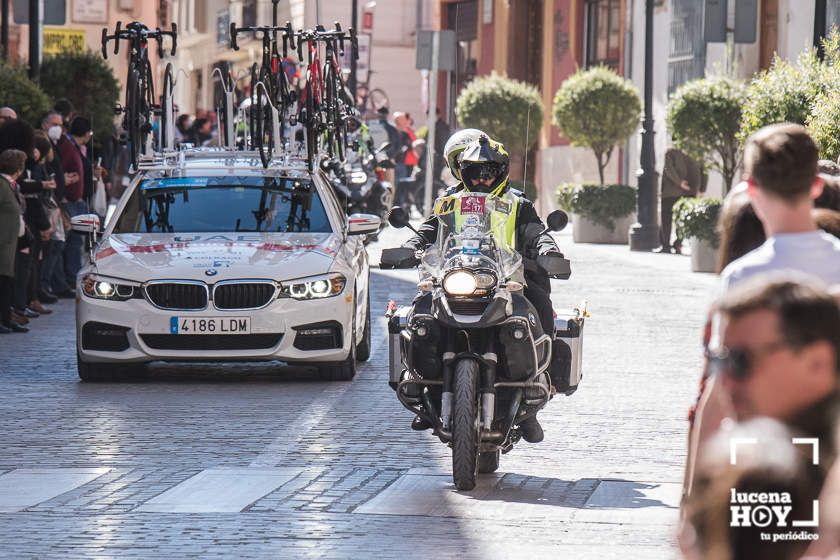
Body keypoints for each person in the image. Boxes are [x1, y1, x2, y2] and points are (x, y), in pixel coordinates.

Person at [401, 134, 564, 443]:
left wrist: (547, 249)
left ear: (501, 171)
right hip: (455, 275)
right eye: (475, 172)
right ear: (463, 172)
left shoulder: (518, 202)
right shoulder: (449, 200)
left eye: (489, 171)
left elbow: (535, 232)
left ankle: (540, 388)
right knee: (419, 312)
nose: (482, 178)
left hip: (506, 278)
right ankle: (423, 391)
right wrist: (410, 245)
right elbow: (429, 229)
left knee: (540, 305)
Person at [0, 149, 30, 333]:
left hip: (10, 243)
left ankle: (6, 318)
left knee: (8, 282)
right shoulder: (2, 185)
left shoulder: (9, 184)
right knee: (3, 282)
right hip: (3, 243)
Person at [657, 148, 704, 254]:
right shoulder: (697, 151)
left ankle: (665, 245)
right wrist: (701, 189)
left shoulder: (671, 153)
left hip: (671, 192)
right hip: (690, 192)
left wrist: (679, 182)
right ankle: (678, 245)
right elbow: (704, 171)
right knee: (682, 219)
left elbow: (669, 169)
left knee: (666, 218)